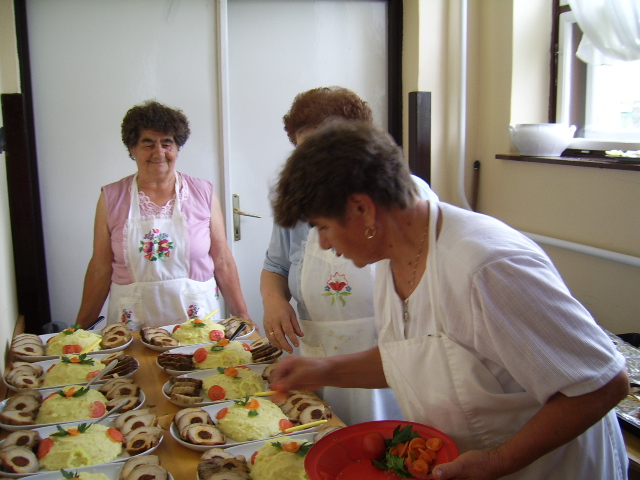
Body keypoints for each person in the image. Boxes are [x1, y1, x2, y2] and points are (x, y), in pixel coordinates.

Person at [268, 119, 629, 479]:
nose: (324, 243)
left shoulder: (485, 268)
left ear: (363, 209)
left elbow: (603, 384)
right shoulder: (393, 258)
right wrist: (323, 370)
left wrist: (497, 461)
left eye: (323, 227)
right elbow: (416, 356)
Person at [261, 87, 438, 425]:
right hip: (319, 357)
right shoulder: (301, 205)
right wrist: (273, 301)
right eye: (304, 153)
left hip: (385, 365)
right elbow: (275, 266)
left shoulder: (407, 201)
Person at [75, 100, 251, 330]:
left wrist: (243, 316)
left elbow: (222, 260)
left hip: (198, 321)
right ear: (132, 148)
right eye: (148, 143)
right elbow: (100, 267)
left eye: (167, 143)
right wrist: (79, 328)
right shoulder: (111, 198)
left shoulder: (203, 193)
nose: (159, 152)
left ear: (177, 148)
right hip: (132, 324)